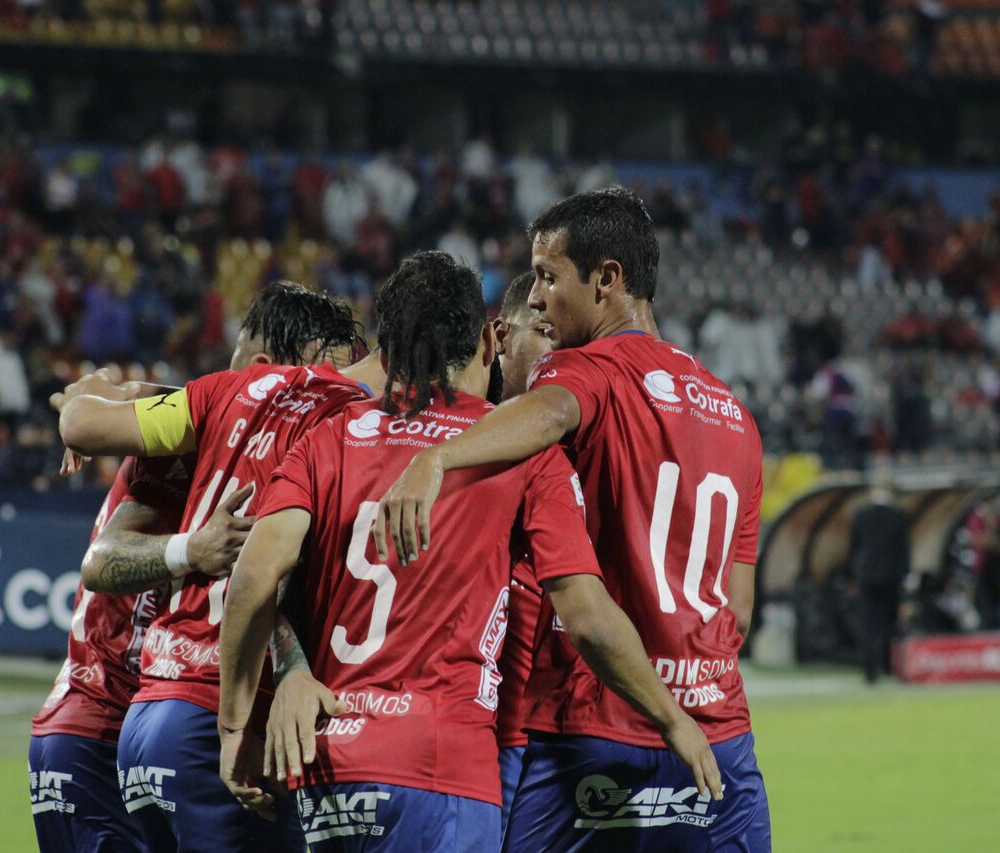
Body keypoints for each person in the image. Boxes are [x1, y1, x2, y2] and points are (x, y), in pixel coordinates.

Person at [216, 252, 721, 852]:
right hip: (442, 770)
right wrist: (672, 719)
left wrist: (235, 725)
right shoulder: (519, 452)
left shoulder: (328, 437)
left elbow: (254, 575)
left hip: (329, 773)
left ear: (386, 354)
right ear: (486, 342)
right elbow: (586, 616)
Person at [374, 189, 769, 850]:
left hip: (591, 727)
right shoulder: (736, 415)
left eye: (549, 277)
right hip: (716, 733)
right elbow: (740, 608)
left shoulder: (587, 369)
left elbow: (551, 412)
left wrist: (436, 457)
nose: (538, 298)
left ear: (607, 278)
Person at [56, 282, 369, 853]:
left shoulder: (212, 399)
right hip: (218, 716)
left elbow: (80, 422)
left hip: (147, 722)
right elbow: (267, 579)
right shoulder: (340, 412)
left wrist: (99, 392)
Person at [27, 449, 251, 853]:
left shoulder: (179, 451)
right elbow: (100, 564)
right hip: (99, 731)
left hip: (90, 725)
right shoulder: (172, 454)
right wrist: (192, 549)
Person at [488, 270, 553, 832]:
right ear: (501, 336)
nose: (560, 354)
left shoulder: (574, 435)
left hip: (555, 733)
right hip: (480, 736)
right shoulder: (455, 436)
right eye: (545, 334)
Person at [848, 477, 911, 684]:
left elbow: (854, 548)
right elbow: (903, 551)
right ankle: (888, 666)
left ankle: (869, 670)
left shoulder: (861, 515)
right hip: (891, 576)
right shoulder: (898, 516)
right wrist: (905, 576)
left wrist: (852, 576)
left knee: (868, 622)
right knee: (888, 621)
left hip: (866, 575)